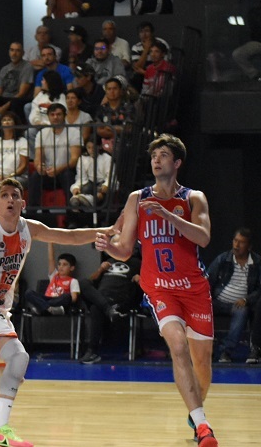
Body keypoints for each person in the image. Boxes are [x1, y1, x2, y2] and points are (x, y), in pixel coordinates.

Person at [0, 177, 107, 447]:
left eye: (15, 195)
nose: (10, 200)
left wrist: (108, 230)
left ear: (22, 203)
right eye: (4, 195)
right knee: (18, 357)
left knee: (11, 373)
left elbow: (71, 237)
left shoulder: (29, 229)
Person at [95, 134, 219, 447]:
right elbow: (125, 251)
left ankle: (195, 411)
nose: (156, 160)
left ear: (177, 163)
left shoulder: (194, 198)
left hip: (194, 288)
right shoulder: (137, 199)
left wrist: (168, 216)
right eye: (154, 155)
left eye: (163, 155)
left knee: (202, 364)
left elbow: (203, 238)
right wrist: (108, 246)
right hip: (160, 288)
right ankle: (203, 426)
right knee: (177, 345)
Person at [206, 228, 259, 363]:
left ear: (249, 246)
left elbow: (260, 289)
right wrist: (204, 299)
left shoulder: (257, 263)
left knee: (242, 311)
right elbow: (207, 281)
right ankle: (204, 349)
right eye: (235, 241)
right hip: (217, 301)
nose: (236, 245)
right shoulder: (223, 259)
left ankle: (226, 351)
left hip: (238, 304)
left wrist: (247, 299)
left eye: (241, 242)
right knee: (197, 306)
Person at [78, 250, 140, 364]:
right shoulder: (109, 261)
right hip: (102, 297)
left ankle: (92, 352)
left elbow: (147, 285)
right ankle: (108, 309)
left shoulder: (137, 262)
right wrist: (100, 270)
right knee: (83, 283)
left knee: (96, 308)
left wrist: (139, 279)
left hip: (120, 299)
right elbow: (92, 280)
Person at [28, 102, 81, 212]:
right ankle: (32, 213)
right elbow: (37, 158)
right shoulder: (42, 133)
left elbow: (74, 159)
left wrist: (58, 169)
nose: (55, 117)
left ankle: (72, 214)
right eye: (52, 115)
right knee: (35, 176)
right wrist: (39, 166)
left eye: (58, 114)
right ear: (48, 116)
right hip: (49, 172)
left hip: (67, 171)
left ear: (64, 115)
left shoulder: (74, 132)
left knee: (67, 175)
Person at [24, 244, 80, 316]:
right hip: (48, 298)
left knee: (67, 297)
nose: (61, 267)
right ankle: (49, 309)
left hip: (59, 301)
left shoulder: (73, 281)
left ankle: (42, 308)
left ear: (72, 268)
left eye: (64, 264)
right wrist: (50, 242)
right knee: (28, 293)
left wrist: (61, 299)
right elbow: (51, 259)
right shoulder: (54, 275)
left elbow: (74, 298)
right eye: (59, 264)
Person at [0, 42, 33, 116]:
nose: (14, 54)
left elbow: (21, 93)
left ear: (23, 53)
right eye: (12, 50)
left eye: (17, 51)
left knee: (15, 103)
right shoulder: (4, 69)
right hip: (4, 99)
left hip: (17, 100)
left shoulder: (27, 67)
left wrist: (5, 106)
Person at [232, 0, 261, 81]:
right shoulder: (255, 12)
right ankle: (255, 75)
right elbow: (255, 26)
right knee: (238, 54)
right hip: (258, 42)